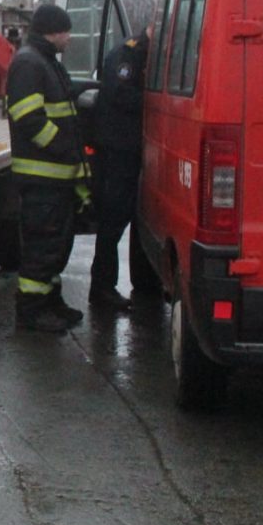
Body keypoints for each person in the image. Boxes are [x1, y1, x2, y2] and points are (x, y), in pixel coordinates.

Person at [6, 3, 88, 332]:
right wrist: (63, 146)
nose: (69, 38)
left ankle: (51, 302)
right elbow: (27, 117)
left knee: (55, 246)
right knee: (41, 247)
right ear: (53, 32)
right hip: (42, 176)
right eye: (66, 31)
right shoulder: (29, 63)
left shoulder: (45, 61)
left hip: (55, 178)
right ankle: (31, 311)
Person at [88, 19, 156, 308]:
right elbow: (119, 93)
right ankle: (102, 287)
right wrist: (157, 100)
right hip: (119, 150)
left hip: (134, 150)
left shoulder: (149, 54)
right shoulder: (127, 54)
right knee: (114, 218)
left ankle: (120, 284)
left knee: (131, 217)